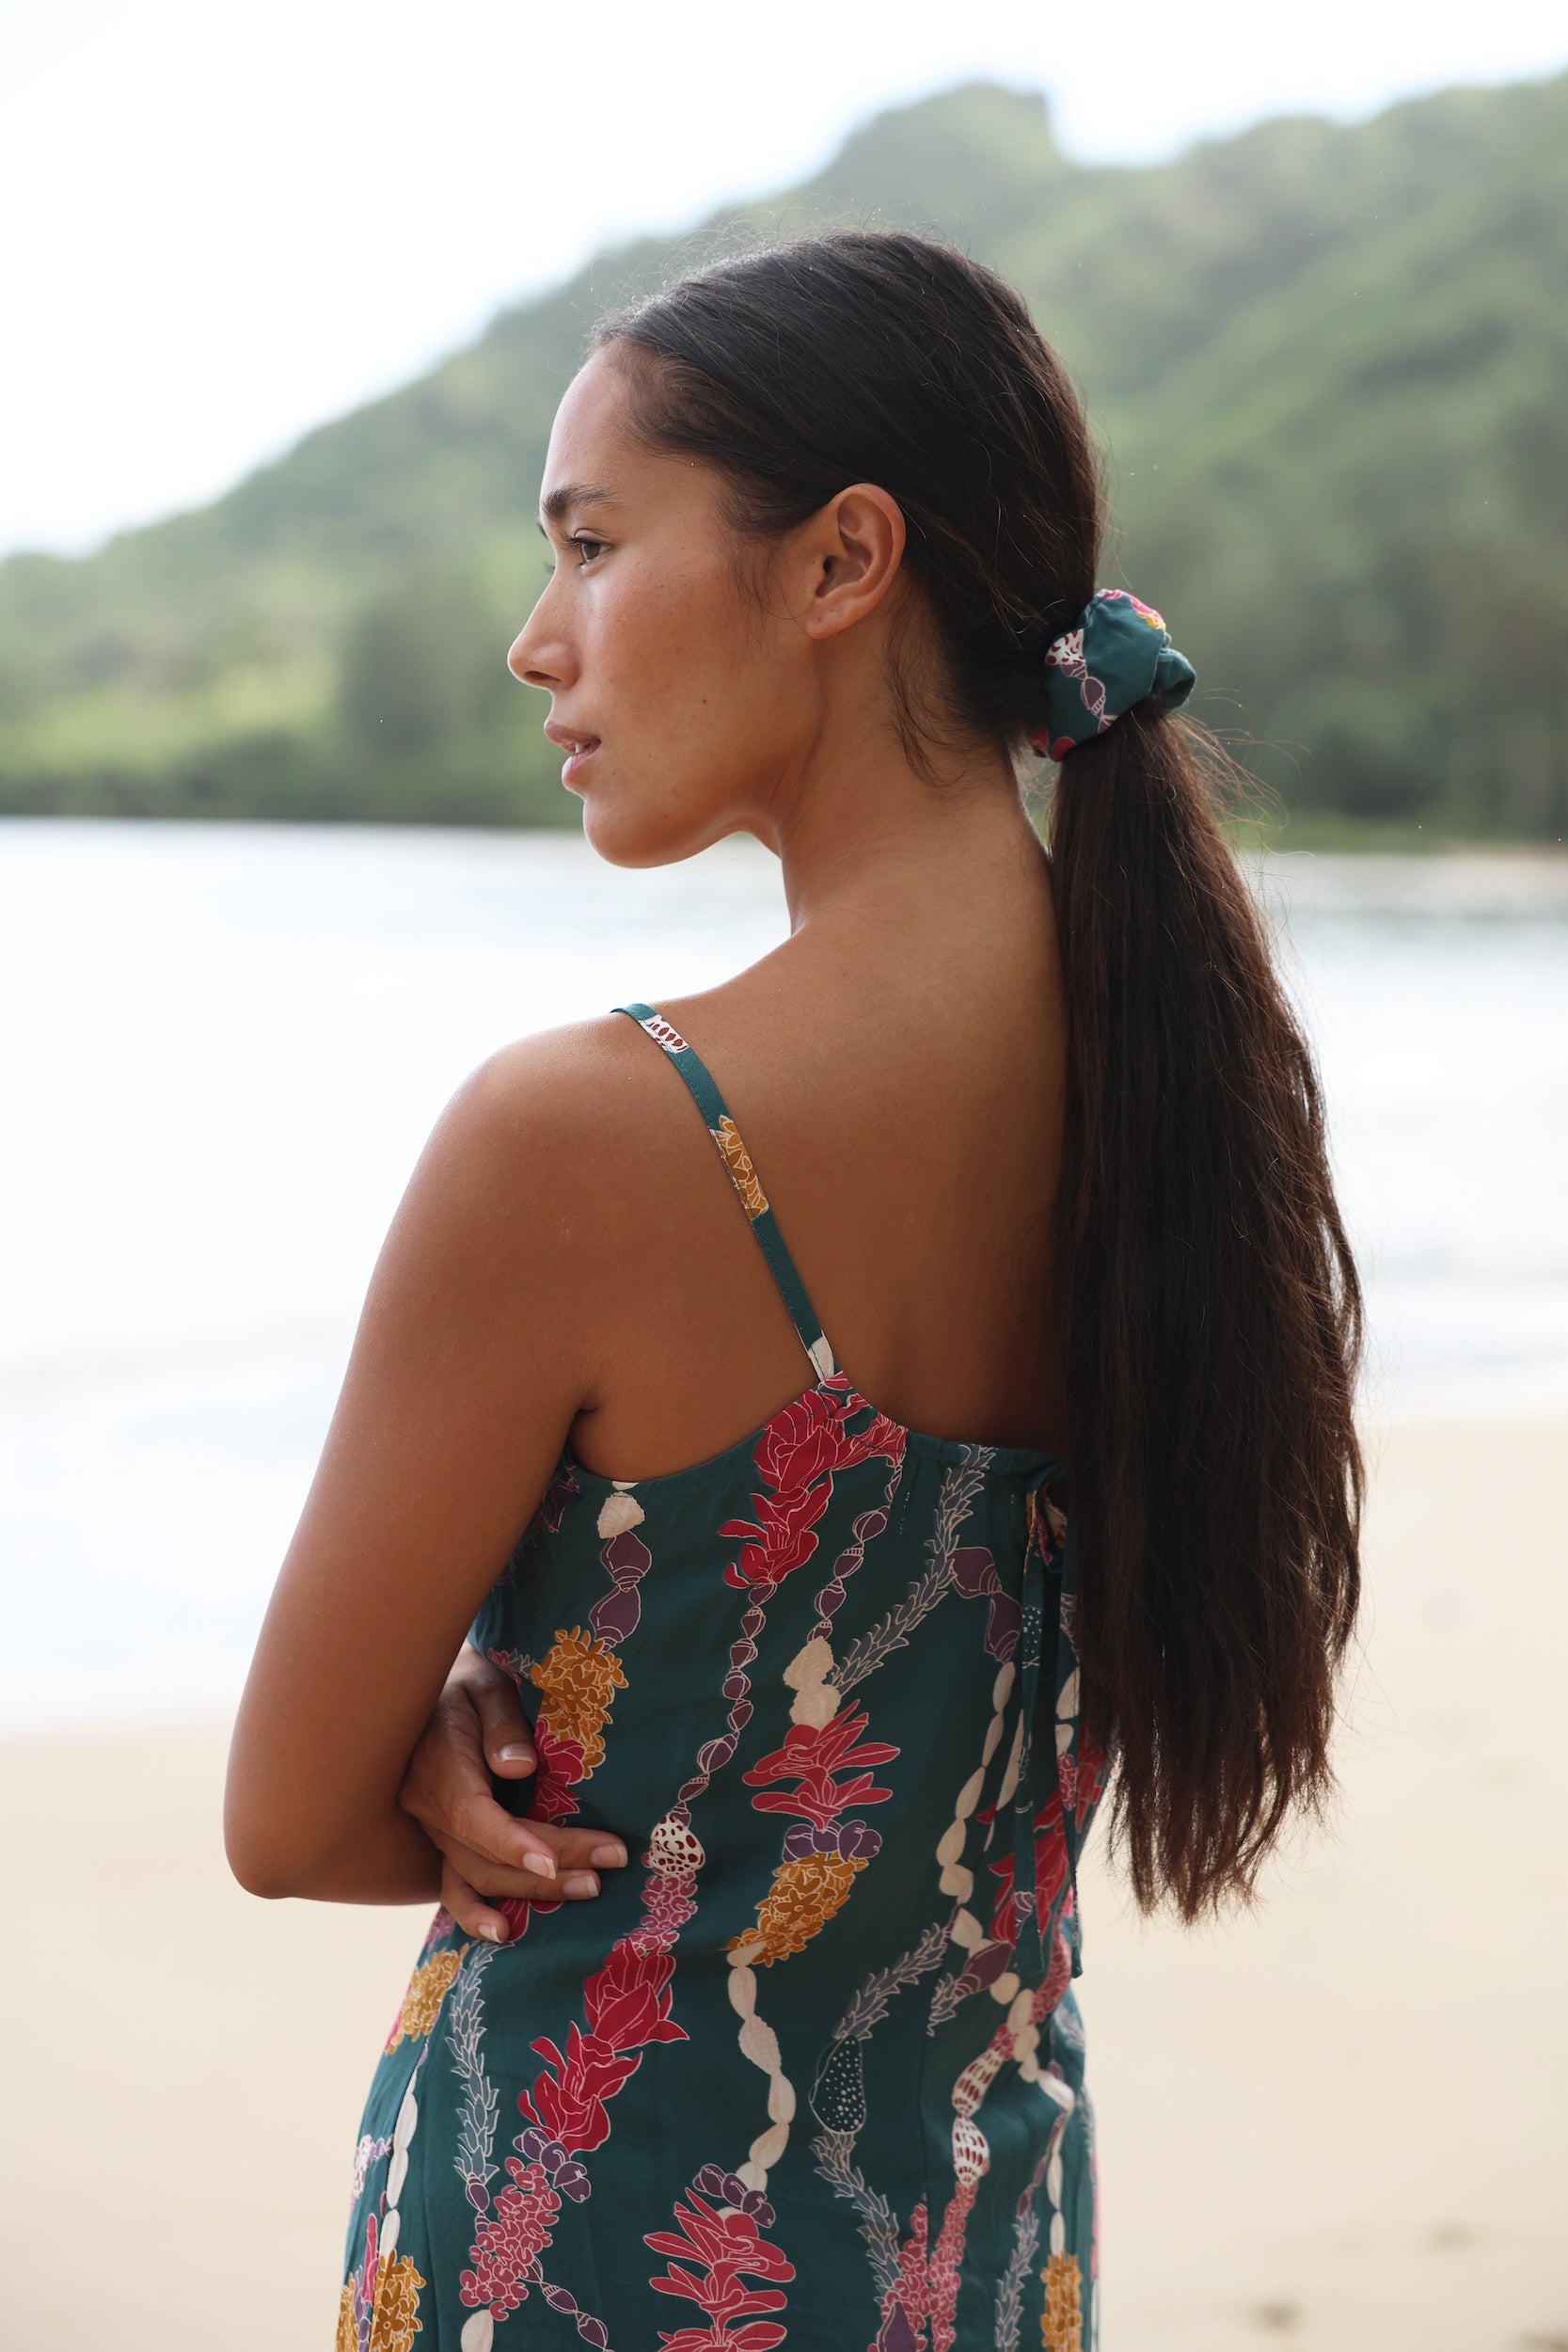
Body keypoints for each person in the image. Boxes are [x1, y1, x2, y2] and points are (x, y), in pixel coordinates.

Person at [226, 230, 1364, 2352]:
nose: (535, 640)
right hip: (985, 2250)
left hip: (581, 2259)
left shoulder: (590, 1137)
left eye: (591, 543)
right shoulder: (1182, 1099)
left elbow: (287, 1819)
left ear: (844, 559)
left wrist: (478, 1731)